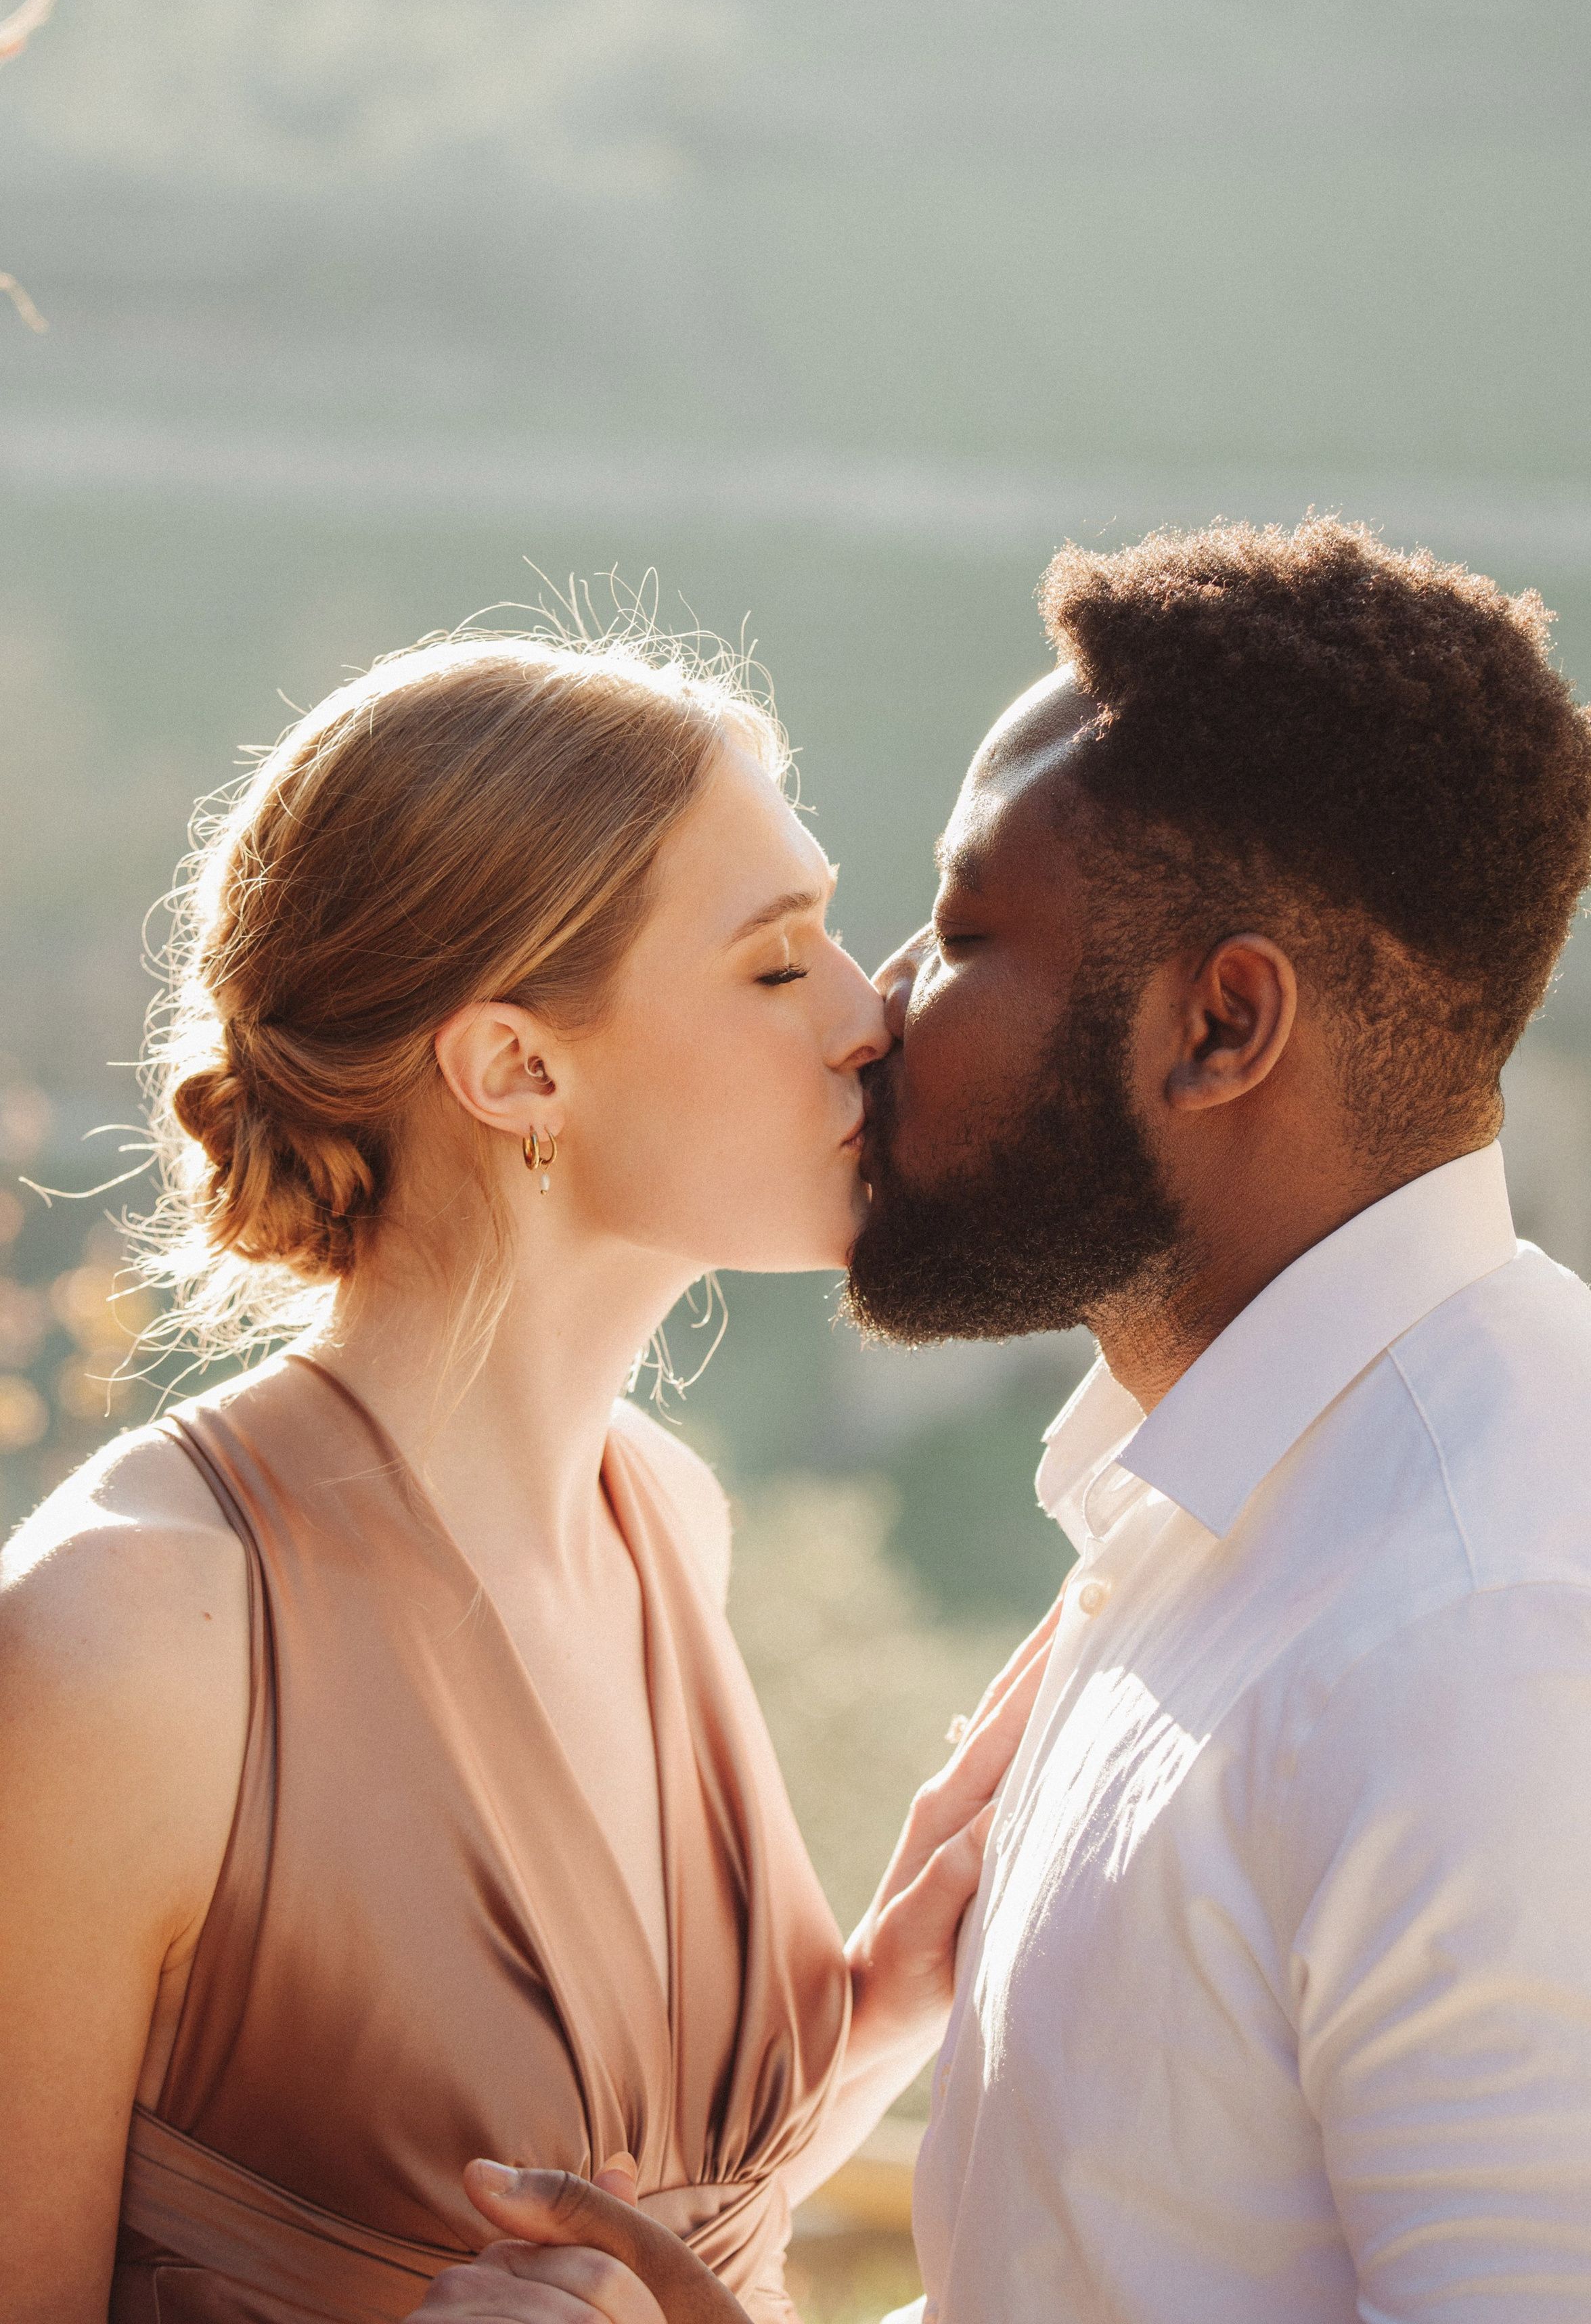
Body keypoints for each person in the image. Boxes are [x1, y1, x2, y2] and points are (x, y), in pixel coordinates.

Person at [436, 518, 1591, 2322]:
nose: (878, 1011)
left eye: (964, 933)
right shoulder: (1228, 1522)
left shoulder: (1509, 1644)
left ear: (1221, 1026)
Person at [0, 629, 1054, 2324]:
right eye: (778, 968)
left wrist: (875, 2019)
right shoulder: (127, 1645)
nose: (874, 1016)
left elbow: (665, 2229)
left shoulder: (667, 1523)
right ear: (516, 1069)